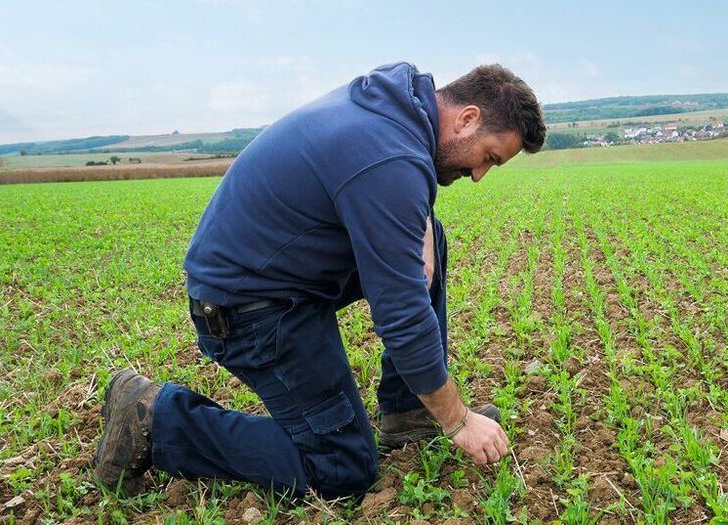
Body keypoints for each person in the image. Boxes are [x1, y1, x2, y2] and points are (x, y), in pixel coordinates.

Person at [91, 62, 546, 499]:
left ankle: (407, 412)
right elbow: (402, 314)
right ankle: (158, 418)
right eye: (488, 157)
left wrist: (424, 218)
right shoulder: (389, 155)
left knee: (430, 236)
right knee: (342, 467)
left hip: (277, 278)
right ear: (467, 118)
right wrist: (458, 420)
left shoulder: (398, 103)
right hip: (246, 309)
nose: (480, 175)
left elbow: (384, 185)